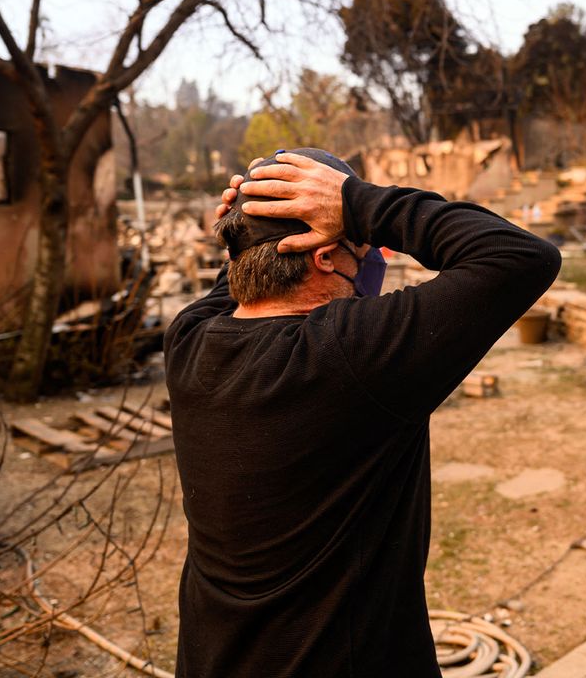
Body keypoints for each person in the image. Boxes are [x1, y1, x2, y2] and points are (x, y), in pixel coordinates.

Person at [163, 148, 561, 677]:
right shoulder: (348, 356)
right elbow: (520, 257)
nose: (375, 257)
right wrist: (358, 203)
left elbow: (244, 277)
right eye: (364, 246)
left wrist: (250, 219)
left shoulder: (190, 341)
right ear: (325, 257)